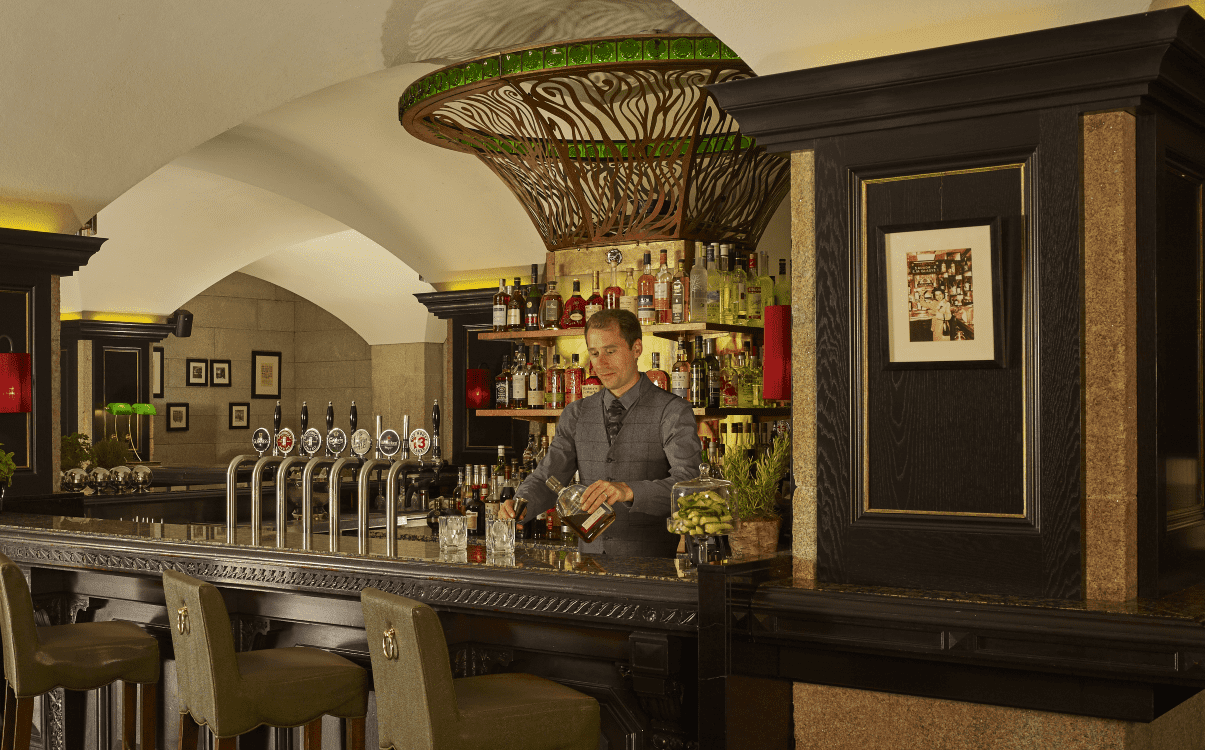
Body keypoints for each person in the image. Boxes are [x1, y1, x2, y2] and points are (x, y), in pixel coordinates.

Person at [502, 308, 700, 557]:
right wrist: (520, 505)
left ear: (636, 348)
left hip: (653, 566)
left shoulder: (672, 411)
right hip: (590, 563)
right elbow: (547, 477)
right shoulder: (576, 413)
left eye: (610, 351)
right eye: (594, 353)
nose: (601, 363)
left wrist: (628, 490)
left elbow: (690, 487)